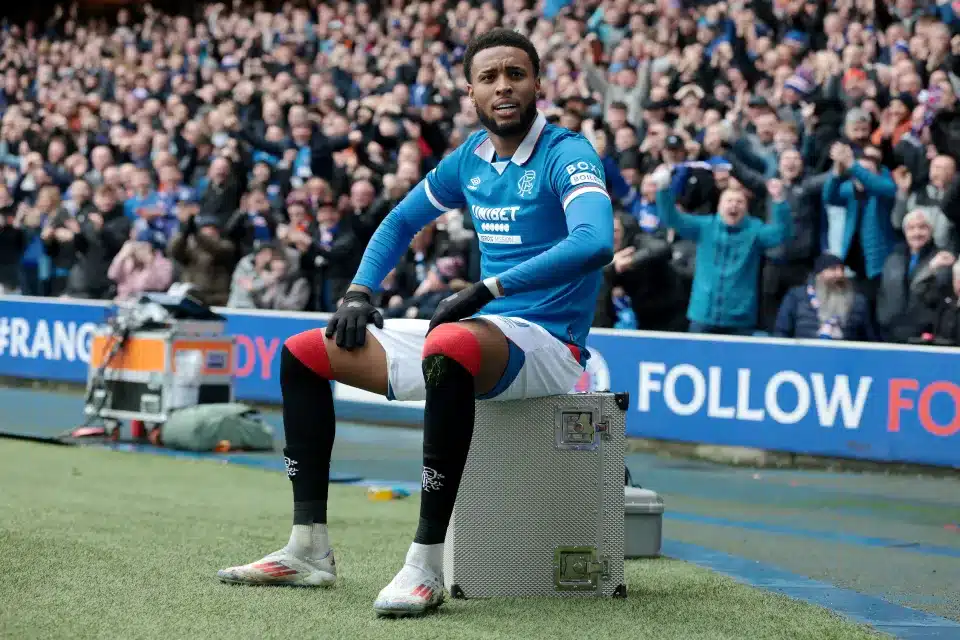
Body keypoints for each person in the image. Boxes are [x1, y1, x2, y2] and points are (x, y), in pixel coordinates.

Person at [216, 29, 614, 617]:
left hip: (551, 344)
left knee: (449, 342)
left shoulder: (566, 153)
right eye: (489, 77)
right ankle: (308, 549)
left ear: (537, 84)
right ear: (471, 92)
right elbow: (399, 221)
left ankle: (423, 565)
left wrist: (487, 288)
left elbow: (595, 242)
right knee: (303, 350)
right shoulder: (469, 160)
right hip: (483, 334)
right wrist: (358, 291)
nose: (503, 86)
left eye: (516, 73)